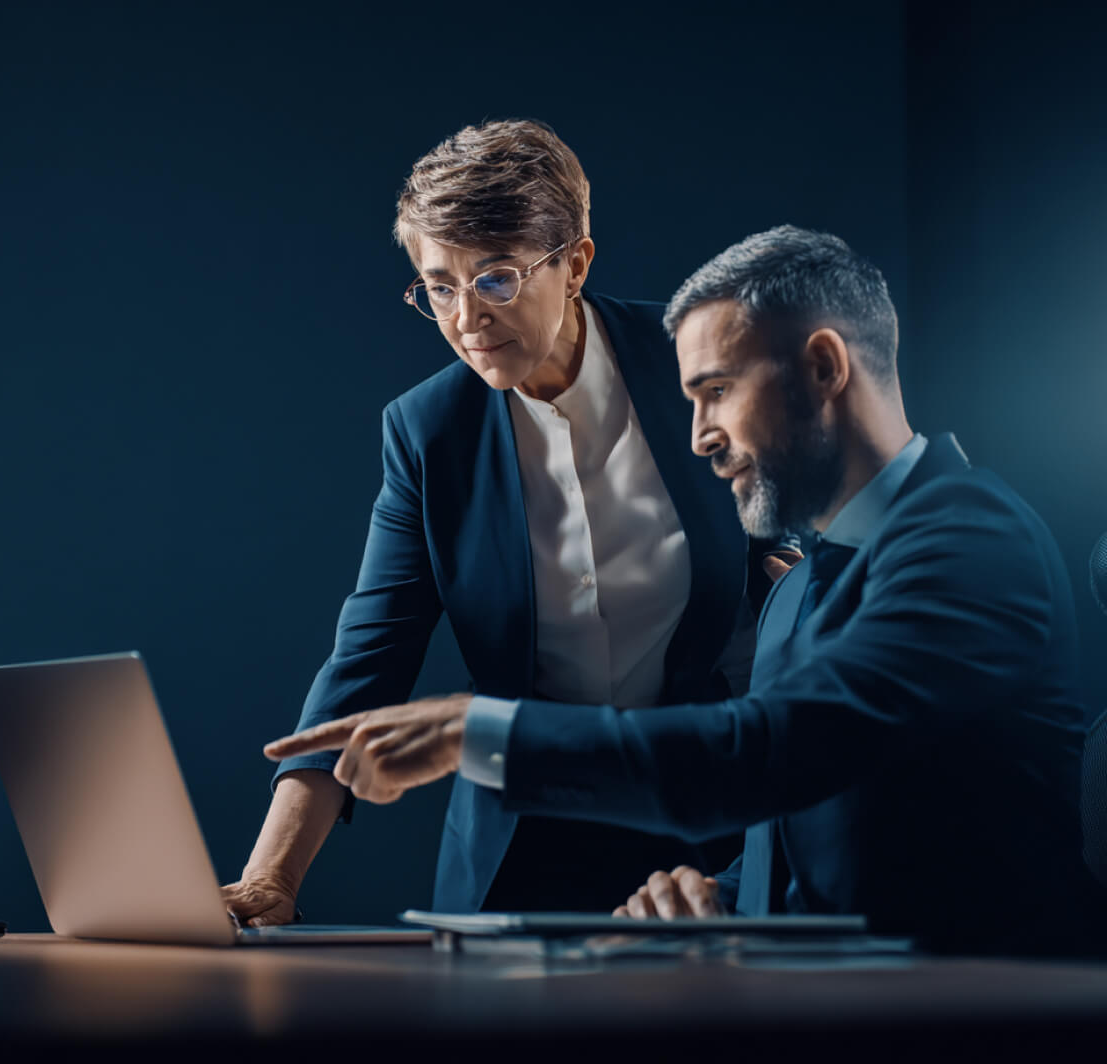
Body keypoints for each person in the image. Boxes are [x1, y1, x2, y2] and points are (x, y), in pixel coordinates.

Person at [266, 225, 1106, 955]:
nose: (700, 437)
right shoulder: (798, 587)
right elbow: (820, 810)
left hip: (984, 1027)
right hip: (843, 1014)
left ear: (822, 368)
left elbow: (776, 750)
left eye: (715, 393)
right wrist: (713, 894)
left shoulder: (969, 542)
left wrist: (478, 733)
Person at [223, 120, 765, 924]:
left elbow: (803, 601)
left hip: (710, 829)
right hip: (521, 846)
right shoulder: (427, 432)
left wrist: (768, 855)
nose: (466, 317)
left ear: (575, 263)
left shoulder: (704, 365)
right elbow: (368, 659)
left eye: (497, 279)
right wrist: (269, 877)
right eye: (439, 287)